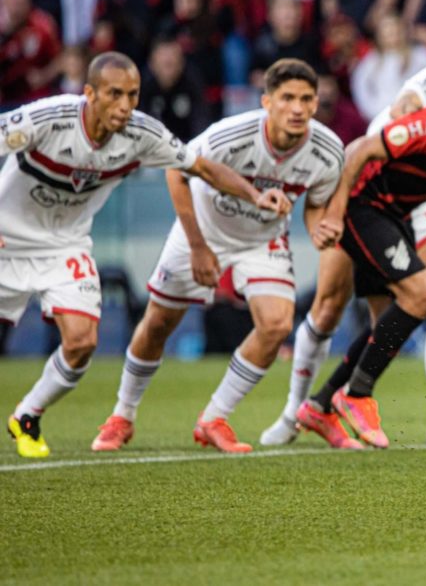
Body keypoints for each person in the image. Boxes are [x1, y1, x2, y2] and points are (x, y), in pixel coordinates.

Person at [1, 51, 288, 458]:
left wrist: (257, 195)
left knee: (82, 342)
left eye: (132, 95)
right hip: (6, 236)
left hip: (64, 244)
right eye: (114, 94)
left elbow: (202, 168)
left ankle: (27, 415)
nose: (124, 105)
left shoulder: (143, 134)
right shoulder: (47, 119)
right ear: (89, 94)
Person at [261, 25, 426, 448]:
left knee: (404, 314)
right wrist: (335, 214)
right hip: (362, 193)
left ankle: (325, 404)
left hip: (401, 203)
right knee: (360, 302)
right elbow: (365, 147)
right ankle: (330, 402)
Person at [89, 58, 343, 454]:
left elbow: (315, 204)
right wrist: (197, 246)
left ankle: (214, 418)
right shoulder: (231, 135)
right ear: (266, 102)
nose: (297, 108)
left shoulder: (328, 152)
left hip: (263, 240)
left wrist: (317, 230)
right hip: (205, 229)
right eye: (287, 98)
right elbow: (177, 172)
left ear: (315, 104)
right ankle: (122, 415)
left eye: (306, 99)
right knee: (158, 322)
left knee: (276, 325)